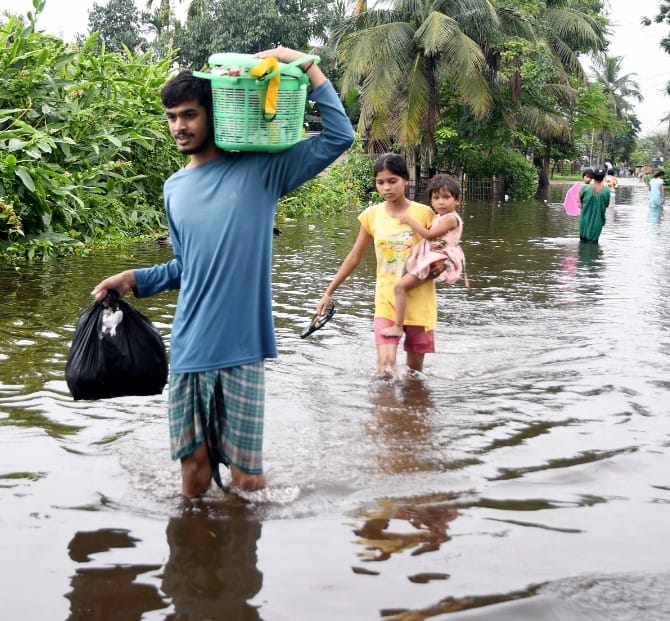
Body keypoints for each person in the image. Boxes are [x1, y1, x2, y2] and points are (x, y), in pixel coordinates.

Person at [91, 47, 355, 498]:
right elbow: (187, 267)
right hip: (191, 346)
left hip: (242, 349)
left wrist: (307, 65)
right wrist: (134, 278)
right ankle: (193, 558)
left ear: (213, 114)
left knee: (248, 481)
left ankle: (238, 559)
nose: (180, 126)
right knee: (192, 474)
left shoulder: (262, 170)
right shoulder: (174, 189)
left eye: (190, 114)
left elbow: (339, 136)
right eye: (172, 117)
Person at [315, 153, 438, 377]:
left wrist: (438, 268)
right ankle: (382, 411)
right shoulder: (371, 216)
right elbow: (353, 257)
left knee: (414, 373)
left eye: (392, 181)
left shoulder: (425, 214)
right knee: (385, 369)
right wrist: (328, 292)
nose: (386, 188)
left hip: (419, 301)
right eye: (380, 182)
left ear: (405, 180)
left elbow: (443, 251)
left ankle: (412, 410)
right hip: (386, 300)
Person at [380, 174, 466, 338]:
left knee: (399, 287)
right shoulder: (440, 217)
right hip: (434, 255)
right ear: (431, 201)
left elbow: (428, 235)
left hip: (436, 258)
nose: (441, 202)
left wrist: (410, 220)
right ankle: (405, 322)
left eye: (446, 197)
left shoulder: (451, 219)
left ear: (457, 200)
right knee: (404, 284)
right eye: (436, 198)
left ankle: (398, 326)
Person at [578, 167, 610, 243]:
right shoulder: (606, 191)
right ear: (603, 177)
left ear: (593, 177)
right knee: (594, 243)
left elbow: (579, 199)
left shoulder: (585, 188)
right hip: (597, 222)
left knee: (582, 242)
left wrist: (581, 202)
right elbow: (607, 205)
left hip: (584, 221)